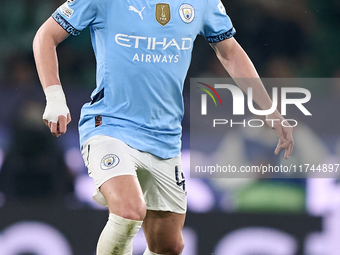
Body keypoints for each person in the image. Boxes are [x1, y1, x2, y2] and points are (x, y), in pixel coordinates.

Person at [33, 0, 294, 254]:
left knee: (168, 246)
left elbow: (230, 52)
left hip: (165, 137)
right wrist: (55, 98)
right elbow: (45, 36)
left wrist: (268, 109)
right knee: (128, 212)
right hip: (110, 125)